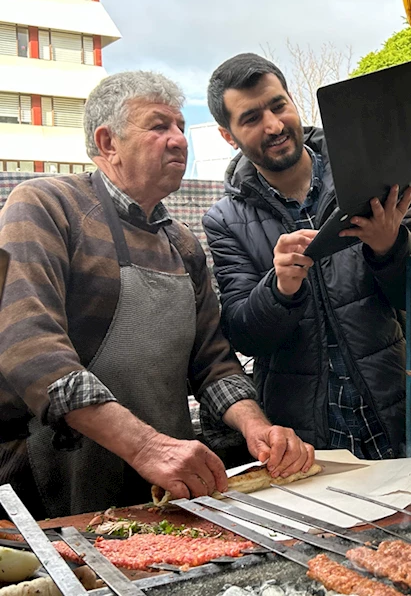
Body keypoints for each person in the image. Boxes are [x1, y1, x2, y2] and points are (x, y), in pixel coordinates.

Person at [0, 71, 314, 520]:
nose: (179, 140)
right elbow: (27, 345)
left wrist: (257, 427)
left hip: (163, 490)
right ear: (108, 142)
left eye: (181, 127)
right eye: (159, 126)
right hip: (50, 493)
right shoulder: (47, 206)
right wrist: (146, 446)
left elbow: (214, 364)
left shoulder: (182, 244)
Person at [203, 53, 411, 460]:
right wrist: (279, 290)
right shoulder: (225, 220)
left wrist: (389, 247)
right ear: (228, 135)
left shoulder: (371, 174)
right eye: (252, 118)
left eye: (278, 106)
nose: (274, 126)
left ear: (293, 101)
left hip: (392, 414)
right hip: (303, 437)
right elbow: (243, 335)